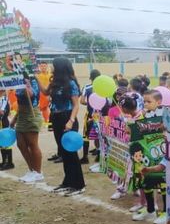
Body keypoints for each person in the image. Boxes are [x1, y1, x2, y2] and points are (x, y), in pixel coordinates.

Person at [44, 58, 86, 194]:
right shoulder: (54, 82)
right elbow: (45, 92)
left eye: (53, 66)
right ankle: (68, 182)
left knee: (71, 153)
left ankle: (79, 185)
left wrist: (71, 121)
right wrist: (35, 79)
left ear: (60, 67)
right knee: (63, 152)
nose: (51, 68)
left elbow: (76, 105)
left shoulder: (71, 83)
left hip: (67, 117)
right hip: (56, 118)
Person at [9, 76, 44, 182]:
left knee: (32, 144)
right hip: (21, 115)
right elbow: (19, 102)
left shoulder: (32, 79)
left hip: (31, 114)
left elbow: (32, 95)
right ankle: (31, 170)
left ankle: (37, 172)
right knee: (21, 144)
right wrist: (15, 118)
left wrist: (27, 85)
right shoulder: (18, 80)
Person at [80, 69, 101, 164]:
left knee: (86, 135)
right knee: (99, 135)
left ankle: (85, 157)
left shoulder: (87, 87)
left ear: (90, 78)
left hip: (90, 115)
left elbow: (82, 101)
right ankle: (99, 155)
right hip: (100, 115)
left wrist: (89, 103)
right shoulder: (102, 87)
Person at [0, 89, 14, 170]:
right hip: (2, 122)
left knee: (6, 143)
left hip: (3, 122)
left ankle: (9, 162)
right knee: (1, 143)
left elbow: (2, 113)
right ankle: (4, 161)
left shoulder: (4, 99)